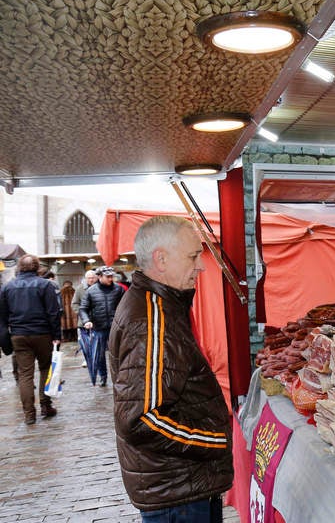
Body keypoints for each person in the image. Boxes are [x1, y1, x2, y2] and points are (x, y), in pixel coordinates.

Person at [109, 215, 232, 522]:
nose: (201, 266)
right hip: (177, 492)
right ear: (160, 259)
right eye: (193, 256)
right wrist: (214, 441)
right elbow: (141, 420)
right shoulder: (151, 320)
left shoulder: (159, 304)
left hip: (177, 485)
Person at [0, 254, 62, 424]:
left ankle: (29, 414)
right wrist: (57, 336)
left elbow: (2, 317)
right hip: (42, 334)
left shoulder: (7, 287)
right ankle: (45, 405)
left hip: (19, 335)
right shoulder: (45, 285)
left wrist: (5, 339)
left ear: (19, 267)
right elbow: (53, 313)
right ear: (36, 267)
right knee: (45, 369)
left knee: (25, 374)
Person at [79, 266, 125, 386]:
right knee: (99, 355)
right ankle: (103, 376)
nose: (111, 279)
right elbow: (83, 309)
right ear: (99, 277)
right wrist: (86, 321)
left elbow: (126, 307)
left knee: (118, 353)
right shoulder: (91, 291)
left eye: (112, 276)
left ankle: (120, 376)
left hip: (116, 327)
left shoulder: (119, 290)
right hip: (98, 327)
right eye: (108, 277)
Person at [73, 269, 98, 367]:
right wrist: (82, 314)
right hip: (83, 322)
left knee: (96, 342)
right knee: (84, 342)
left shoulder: (99, 288)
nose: (91, 280)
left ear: (96, 278)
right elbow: (74, 303)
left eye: (93, 278)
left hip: (97, 320)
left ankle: (96, 360)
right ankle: (86, 359)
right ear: (86, 278)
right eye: (89, 278)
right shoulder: (80, 289)